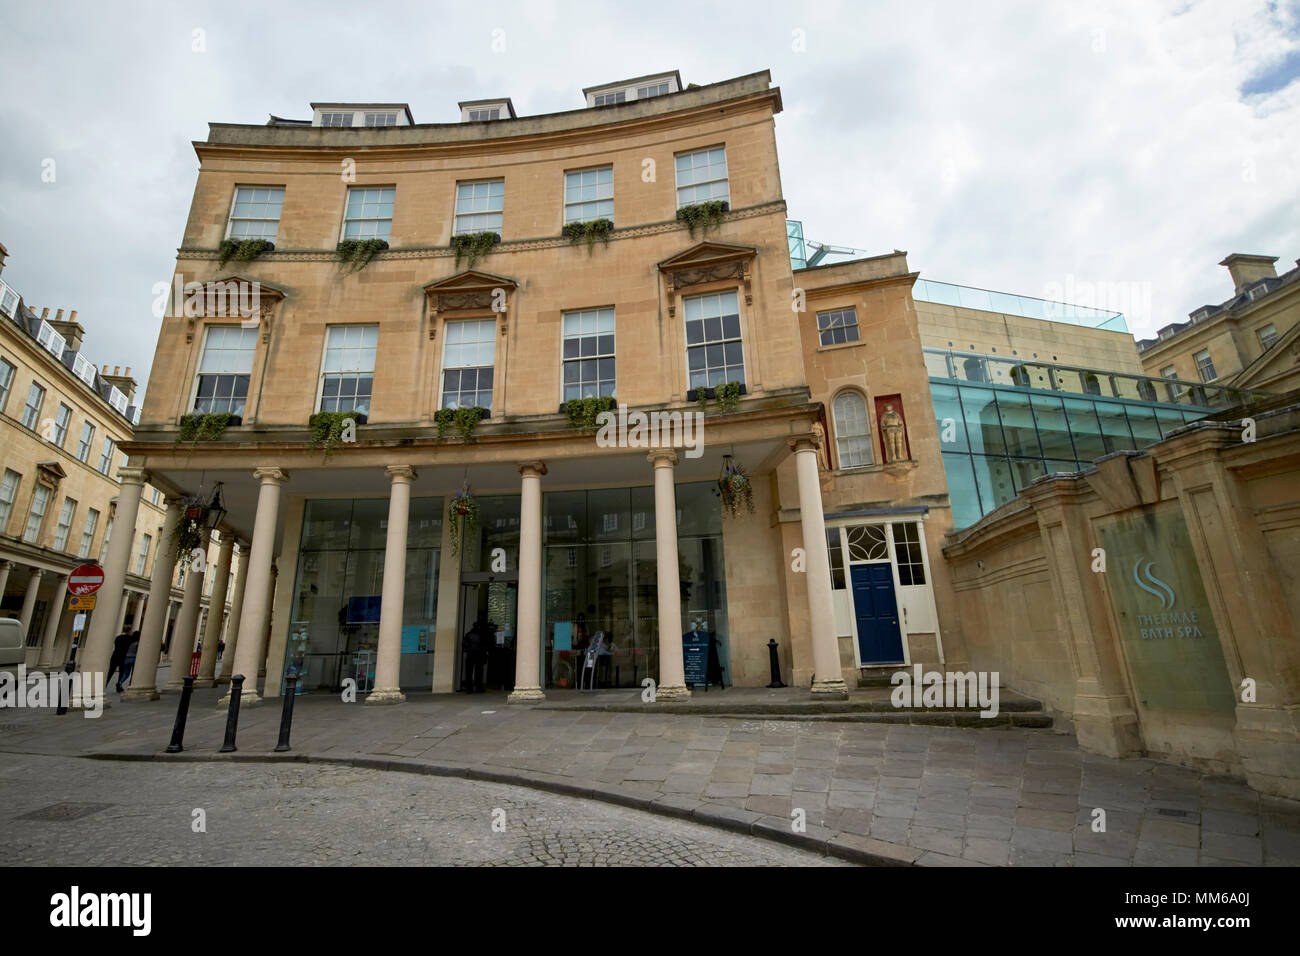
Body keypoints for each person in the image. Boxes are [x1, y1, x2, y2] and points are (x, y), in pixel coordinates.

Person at [463, 618, 488, 693]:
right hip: (479, 655)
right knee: (479, 672)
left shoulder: (468, 634)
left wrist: (468, 649)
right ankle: (478, 687)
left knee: (469, 672)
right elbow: (485, 645)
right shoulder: (482, 635)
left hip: (470, 654)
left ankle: (469, 688)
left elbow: (464, 644)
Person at [105, 628, 133, 693]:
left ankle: (104, 684)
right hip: (123, 656)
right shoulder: (129, 638)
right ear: (128, 632)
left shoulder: (118, 637)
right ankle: (118, 686)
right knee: (121, 672)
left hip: (115, 655)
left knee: (110, 671)